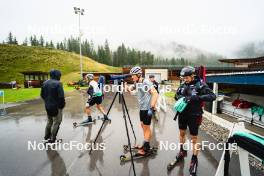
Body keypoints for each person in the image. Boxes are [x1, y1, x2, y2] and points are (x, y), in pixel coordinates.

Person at [174, 66, 216, 174]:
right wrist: (179, 98)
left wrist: (197, 98)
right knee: (182, 133)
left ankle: (194, 158)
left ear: (192, 75)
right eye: (183, 78)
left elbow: (212, 96)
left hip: (194, 115)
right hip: (182, 114)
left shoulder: (200, 84)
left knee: (194, 138)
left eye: (186, 77)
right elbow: (176, 94)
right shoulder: (183, 84)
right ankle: (182, 151)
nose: (185, 79)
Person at [126, 66, 159, 155]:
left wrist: (152, 107)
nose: (132, 77)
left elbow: (155, 93)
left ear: (138, 74)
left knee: (146, 127)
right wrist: (126, 87)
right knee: (143, 125)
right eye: (131, 75)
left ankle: (146, 147)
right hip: (142, 108)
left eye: (133, 75)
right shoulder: (137, 82)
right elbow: (131, 89)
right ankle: (145, 142)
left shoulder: (146, 82)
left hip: (147, 108)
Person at [41, 69, 65, 143]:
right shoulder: (58, 83)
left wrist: (47, 102)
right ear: (57, 75)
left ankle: (46, 137)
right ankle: (52, 139)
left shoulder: (45, 83)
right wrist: (61, 106)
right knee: (57, 122)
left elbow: (42, 95)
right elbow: (61, 97)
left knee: (49, 121)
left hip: (47, 106)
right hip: (56, 107)